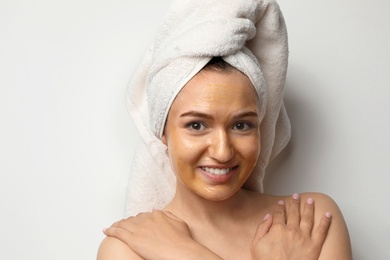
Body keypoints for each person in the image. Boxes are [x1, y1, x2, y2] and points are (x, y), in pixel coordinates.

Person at [97, 0, 352, 259]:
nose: (222, 152)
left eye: (241, 125)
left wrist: (186, 253)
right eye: (196, 125)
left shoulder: (309, 220)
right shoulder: (126, 248)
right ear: (163, 131)